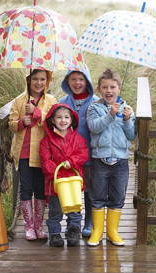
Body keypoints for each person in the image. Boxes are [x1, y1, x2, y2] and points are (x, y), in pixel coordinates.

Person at [86, 68, 136, 247]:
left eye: (112, 87)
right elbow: (94, 127)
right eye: (105, 87)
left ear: (119, 88)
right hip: (100, 159)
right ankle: (97, 231)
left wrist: (127, 119)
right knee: (98, 196)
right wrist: (110, 115)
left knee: (118, 196)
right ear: (99, 89)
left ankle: (113, 232)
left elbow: (131, 135)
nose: (109, 91)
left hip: (121, 161)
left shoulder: (126, 108)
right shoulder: (94, 108)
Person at [8, 69, 57, 241]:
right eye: (35, 79)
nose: (38, 82)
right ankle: (29, 227)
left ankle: (38, 225)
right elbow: (11, 124)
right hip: (23, 153)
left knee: (41, 189)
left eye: (42, 79)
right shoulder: (19, 101)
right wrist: (21, 122)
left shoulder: (50, 101)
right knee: (26, 188)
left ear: (47, 81)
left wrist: (37, 113)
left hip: (42, 153)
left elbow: (54, 122)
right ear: (28, 80)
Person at [39, 103, 89, 247]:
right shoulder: (46, 141)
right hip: (56, 183)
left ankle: (73, 230)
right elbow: (45, 161)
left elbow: (83, 154)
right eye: (59, 117)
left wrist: (71, 161)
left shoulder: (77, 138)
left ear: (71, 120)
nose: (63, 120)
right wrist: (57, 172)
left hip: (72, 181)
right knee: (55, 210)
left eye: (66, 117)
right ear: (52, 120)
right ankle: (54, 234)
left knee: (74, 208)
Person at [59, 68, 98, 237]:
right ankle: (73, 222)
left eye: (81, 79)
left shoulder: (96, 102)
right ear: (68, 81)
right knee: (71, 190)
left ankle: (89, 221)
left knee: (89, 190)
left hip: (89, 153)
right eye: (73, 79)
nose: (77, 83)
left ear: (87, 82)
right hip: (68, 156)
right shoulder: (63, 102)